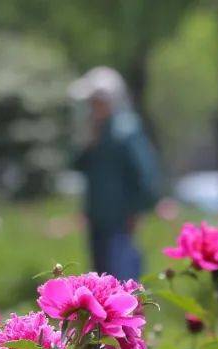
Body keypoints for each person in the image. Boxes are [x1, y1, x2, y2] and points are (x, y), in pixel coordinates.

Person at [70, 67, 160, 281]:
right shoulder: (94, 132)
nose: (93, 107)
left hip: (120, 218)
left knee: (121, 276)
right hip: (97, 216)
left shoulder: (126, 131)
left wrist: (137, 209)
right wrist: (85, 141)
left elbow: (145, 174)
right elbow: (77, 165)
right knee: (99, 275)